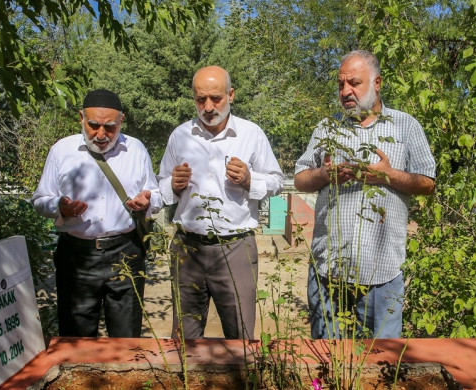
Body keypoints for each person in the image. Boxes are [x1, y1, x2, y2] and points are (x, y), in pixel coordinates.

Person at [294, 50, 436, 339]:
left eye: (354, 83)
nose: (346, 91)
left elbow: (427, 183)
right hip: (328, 272)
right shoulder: (327, 128)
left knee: (382, 363)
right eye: (340, 84)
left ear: (377, 83)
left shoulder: (405, 126)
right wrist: (323, 175)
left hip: (382, 273)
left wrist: (388, 175)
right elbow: (299, 179)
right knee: (327, 359)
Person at [158, 66, 284, 340]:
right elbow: (161, 188)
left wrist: (250, 179)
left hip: (235, 249)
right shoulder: (180, 136)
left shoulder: (251, 134)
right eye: (200, 99)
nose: (208, 106)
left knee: (240, 338)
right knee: (184, 338)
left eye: (216, 98)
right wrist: (173, 185)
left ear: (231, 95)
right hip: (187, 248)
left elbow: (276, 182)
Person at [32, 89, 162, 337]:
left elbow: (155, 194)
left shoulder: (136, 149)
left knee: (127, 339)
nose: (101, 134)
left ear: (121, 120)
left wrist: (147, 200)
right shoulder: (62, 150)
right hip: (76, 257)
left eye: (110, 127)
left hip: (126, 252)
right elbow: (39, 200)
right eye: (93, 125)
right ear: (81, 117)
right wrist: (59, 206)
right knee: (77, 339)